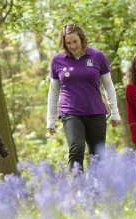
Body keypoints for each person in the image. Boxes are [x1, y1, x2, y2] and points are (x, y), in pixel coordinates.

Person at [46, 22, 121, 172]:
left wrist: (115, 112)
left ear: (82, 39)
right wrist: (50, 120)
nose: (72, 46)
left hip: (95, 111)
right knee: (76, 149)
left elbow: (108, 86)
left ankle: (96, 192)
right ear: (63, 43)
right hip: (70, 112)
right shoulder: (57, 60)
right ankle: (76, 192)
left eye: (75, 41)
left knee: (97, 155)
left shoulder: (98, 56)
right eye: (68, 43)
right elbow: (54, 91)